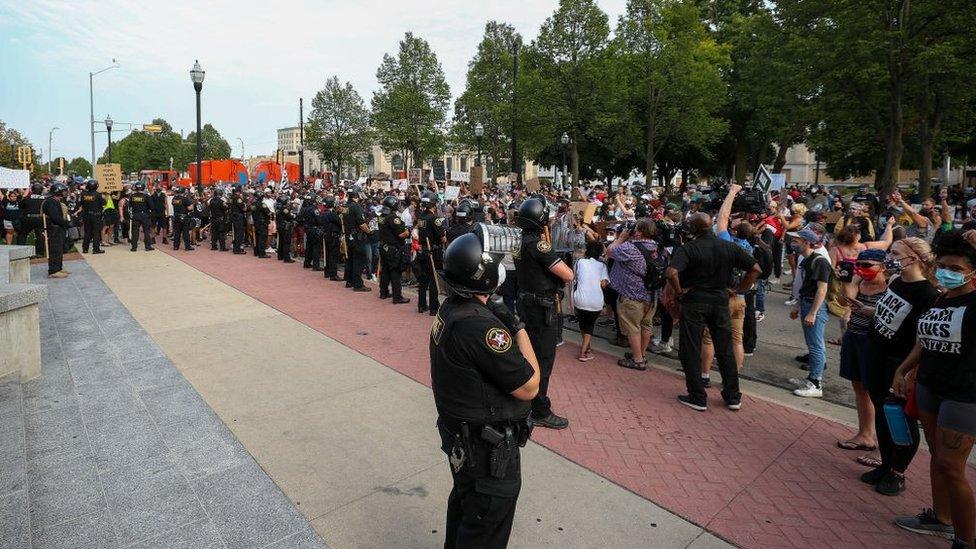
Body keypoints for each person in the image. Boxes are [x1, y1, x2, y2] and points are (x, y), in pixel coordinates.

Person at [432, 228, 540, 549]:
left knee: (466, 513)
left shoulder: (451, 308)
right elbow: (530, 384)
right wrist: (516, 326)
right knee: (485, 528)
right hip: (486, 452)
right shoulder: (482, 327)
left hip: (463, 440)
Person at [892, 230, 976, 548]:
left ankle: (966, 539)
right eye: (942, 265)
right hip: (930, 386)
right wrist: (904, 369)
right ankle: (941, 518)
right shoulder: (942, 298)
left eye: (955, 267)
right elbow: (924, 340)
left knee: (952, 467)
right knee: (937, 457)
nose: (946, 272)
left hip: (964, 394)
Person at [856, 237, 938, 497]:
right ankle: (886, 464)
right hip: (877, 355)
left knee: (900, 417)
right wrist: (868, 311)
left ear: (913, 259)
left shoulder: (927, 294)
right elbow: (888, 313)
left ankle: (898, 472)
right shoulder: (895, 281)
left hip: (898, 363)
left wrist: (908, 371)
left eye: (895, 253)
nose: (890, 257)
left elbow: (921, 337)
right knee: (881, 411)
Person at [666, 213, 759, 412]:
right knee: (725, 349)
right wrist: (740, 289)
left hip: (695, 300)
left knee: (691, 348)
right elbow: (755, 269)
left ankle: (697, 396)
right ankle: (733, 396)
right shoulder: (728, 246)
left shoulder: (689, 248)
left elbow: (671, 272)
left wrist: (680, 291)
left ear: (695, 229)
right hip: (720, 300)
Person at [513, 197, 574, 429]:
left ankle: (527, 401)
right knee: (543, 359)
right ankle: (539, 409)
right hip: (542, 307)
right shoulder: (540, 245)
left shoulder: (518, 242)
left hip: (527, 303)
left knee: (528, 354)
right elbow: (567, 275)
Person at [835, 249, 887, 470]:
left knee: (880, 394)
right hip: (854, 336)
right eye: (860, 264)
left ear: (882, 266)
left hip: (875, 342)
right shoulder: (858, 279)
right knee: (859, 388)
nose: (863, 269)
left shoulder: (892, 285)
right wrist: (845, 281)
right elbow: (844, 302)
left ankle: (885, 448)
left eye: (868, 265)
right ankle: (865, 435)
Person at [607, 219, 660, 371]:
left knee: (632, 328)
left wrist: (621, 237)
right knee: (645, 325)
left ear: (639, 232)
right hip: (652, 296)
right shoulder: (658, 247)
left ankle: (637, 360)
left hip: (632, 296)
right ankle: (641, 355)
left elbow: (609, 251)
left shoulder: (630, 248)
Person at [788, 228, 831, 397]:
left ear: (806, 242)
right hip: (807, 304)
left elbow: (822, 290)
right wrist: (798, 305)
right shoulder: (806, 260)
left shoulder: (819, 261)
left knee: (815, 345)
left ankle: (816, 383)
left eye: (796, 241)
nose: (792, 244)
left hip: (815, 307)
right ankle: (811, 377)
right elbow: (805, 286)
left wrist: (812, 312)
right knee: (812, 344)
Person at [572, 240, 609, 362]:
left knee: (583, 324)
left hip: (579, 299)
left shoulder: (580, 262)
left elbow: (575, 277)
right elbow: (603, 284)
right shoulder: (602, 265)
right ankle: (583, 352)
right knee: (589, 326)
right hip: (595, 301)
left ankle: (587, 347)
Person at [416, 191, 446, 312]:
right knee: (434, 280)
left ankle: (421, 305)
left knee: (423, 279)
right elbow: (443, 238)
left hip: (423, 249)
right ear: (434, 204)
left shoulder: (420, 217)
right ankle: (434, 307)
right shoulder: (434, 218)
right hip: (433, 251)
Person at [377, 195, 410, 304]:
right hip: (393, 249)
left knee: (385, 270)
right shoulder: (393, 218)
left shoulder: (381, 216)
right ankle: (397, 297)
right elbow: (401, 234)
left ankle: (383, 292)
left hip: (383, 246)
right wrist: (408, 232)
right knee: (395, 272)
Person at [342, 186, 371, 291]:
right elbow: (362, 224)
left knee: (350, 259)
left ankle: (349, 281)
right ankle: (358, 284)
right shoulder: (356, 207)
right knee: (359, 260)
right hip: (357, 237)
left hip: (348, 235)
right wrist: (369, 232)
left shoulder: (345, 206)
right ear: (356, 194)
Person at [42, 183, 71, 278]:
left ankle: (58, 268)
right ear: (57, 192)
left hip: (58, 228)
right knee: (55, 249)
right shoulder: (50, 202)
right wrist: (66, 223)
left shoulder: (55, 201)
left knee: (59, 249)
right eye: (63, 191)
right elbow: (55, 217)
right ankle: (53, 270)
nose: (65, 193)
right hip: (53, 228)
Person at [78, 179, 105, 254]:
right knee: (96, 232)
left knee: (87, 232)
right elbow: (104, 203)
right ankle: (96, 249)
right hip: (96, 216)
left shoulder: (83, 194)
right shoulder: (98, 194)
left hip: (86, 215)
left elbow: (82, 204)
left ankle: (85, 248)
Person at [18, 183, 46, 255]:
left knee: (22, 234)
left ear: (32, 190)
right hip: (40, 219)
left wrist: (23, 197)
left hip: (28, 218)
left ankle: (20, 251)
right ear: (41, 191)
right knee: (40, 236)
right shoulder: (45, 200)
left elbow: (20, 205)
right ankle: (39, 253)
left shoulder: (27, 198)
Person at [321, 195, 343, 281]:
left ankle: (327, 272)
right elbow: (339, 222)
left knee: (327, 254)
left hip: (327, 235)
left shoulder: (324, 213)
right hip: (333, 236)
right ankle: (333, 274)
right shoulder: (332, 214)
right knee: (334, 256)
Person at [128, 182, 155, 252]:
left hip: (135, 215)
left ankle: (134, 247)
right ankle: (148, 246)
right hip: (145, 215)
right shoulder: (146, 196)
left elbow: (129, 205)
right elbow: (152, 207)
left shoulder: (132, 196)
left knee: (135, 231)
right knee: (146, 231)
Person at [170, 187, 194, 251]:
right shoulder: (185, 199)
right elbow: (190, 208)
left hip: (176, 217)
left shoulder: (174, 199)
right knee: (185, 232)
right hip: (184, 217)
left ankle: (176, 246)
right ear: (184, 192)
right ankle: (187, 246)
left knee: (177, 232)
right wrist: (192, 204)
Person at [251, 189, 272, 258]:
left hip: (256, 222)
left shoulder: (253, 204)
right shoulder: (262, 204)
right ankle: (262, 253)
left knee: (257, 237)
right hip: (262, 223)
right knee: (262, 238)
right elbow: (268, 213)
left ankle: (256, 252)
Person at [275, 195, 296, 263]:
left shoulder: (277, 207)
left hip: (280, 226)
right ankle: (287, 258)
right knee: (286, 242)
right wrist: (292, 215)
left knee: (281, 241)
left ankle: (280, 256)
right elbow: (289, 217)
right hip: (285, 227)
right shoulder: (284, 209)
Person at [230, 185, 247, 254]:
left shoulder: (232, 198)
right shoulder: (238, 199)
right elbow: (244, 208)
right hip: (239, 218)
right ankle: (237, 249)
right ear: (239, 192)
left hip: (235, 217)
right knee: (239, 234)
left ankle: (236, 248)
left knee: (237, 233)